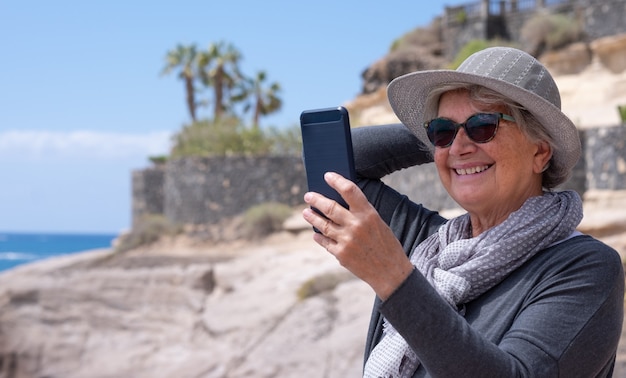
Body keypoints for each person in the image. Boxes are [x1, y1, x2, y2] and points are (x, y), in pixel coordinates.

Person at [301, 46, 624, 377]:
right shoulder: (429, 246)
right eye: (442, 132)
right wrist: (448, 139)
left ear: (540, 152)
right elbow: (332, 162)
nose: (458, 146)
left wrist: (394, 280)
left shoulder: (584, 267)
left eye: (484, 125)